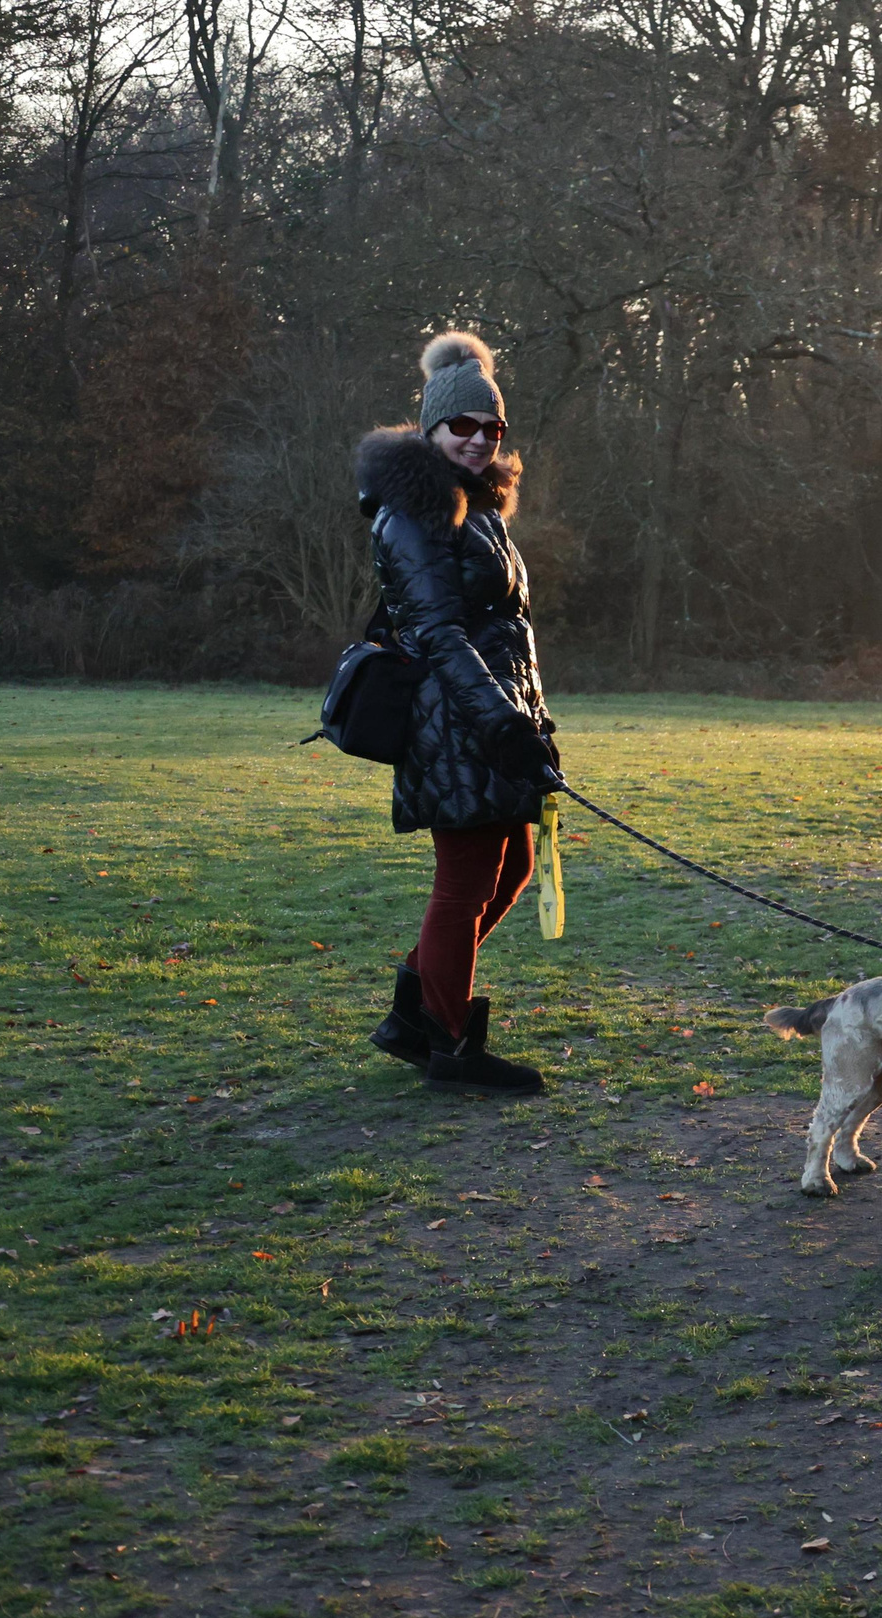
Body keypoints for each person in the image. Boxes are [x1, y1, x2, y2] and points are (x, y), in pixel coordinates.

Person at [355, 331, 563, 1094]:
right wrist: (502, 724)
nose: (478, 439)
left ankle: (413, 1012)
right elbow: (442, 634)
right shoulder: (416, 513)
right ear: (432, 428)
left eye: (491, 427)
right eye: (463, 426)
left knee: (514, 867)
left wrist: (531, 721)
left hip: (491, 718)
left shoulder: (477, 507)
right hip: (453, 725)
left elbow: (508, 632)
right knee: (467, 880)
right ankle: (450, 1045)